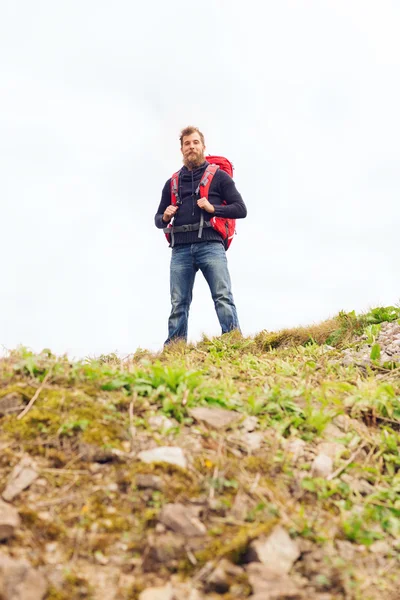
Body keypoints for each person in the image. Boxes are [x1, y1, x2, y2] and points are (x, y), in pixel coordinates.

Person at [155, 126, 247, 345]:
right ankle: (175, 349)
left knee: (222, 296)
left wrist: (214, 209)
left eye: (195, 143)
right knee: (178, 303)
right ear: (182, 149)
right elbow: (158, 219)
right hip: (180, 249)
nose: (191, 147)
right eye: (187, 144)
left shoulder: (220, 178)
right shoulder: (172, 182)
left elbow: (241, 209)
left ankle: (233, 341)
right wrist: (165, 217)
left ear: (203, 147)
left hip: (211, 245)